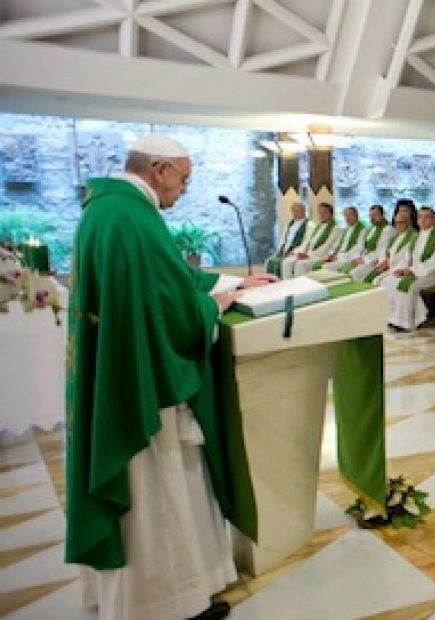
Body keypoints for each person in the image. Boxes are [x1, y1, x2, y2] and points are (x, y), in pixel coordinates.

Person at [66, 134, 277, 620]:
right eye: (183, 179)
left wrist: (227, 283)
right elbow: (172, 310)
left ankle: (151, 597)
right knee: (157, 492)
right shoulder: (133, 217)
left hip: (116, 375)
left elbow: (158, 283)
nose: (183, 190)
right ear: (160, 169)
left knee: (154, 493)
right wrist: (210, 306)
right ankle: (168, 604)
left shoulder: (107, 210)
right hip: (142, 388)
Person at [380, 207, 435, 330]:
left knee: (406, 286)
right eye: (420, 217)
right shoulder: (416, 237)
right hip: (414, 272)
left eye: (426, 217)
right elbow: (407, 258)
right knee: (388, 281)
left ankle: (405, 323)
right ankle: (393, 318)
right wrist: (401, 269)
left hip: (432, 275)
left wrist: (411, 270)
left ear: (434, 220)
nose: (422, 220)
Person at [281, 202, 341, 278]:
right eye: (320, 213)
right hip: (309, 254)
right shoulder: (317, 227)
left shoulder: (335, 229)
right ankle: (289, 286)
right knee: (286, 262)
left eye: (325, 212)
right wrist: (297, 252)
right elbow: (307, 243)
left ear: (331, 214)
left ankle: (303, 288)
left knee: (300, 264)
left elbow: (327, 247)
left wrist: (308, 255)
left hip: (321, 256)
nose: (322, 215)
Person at [357, 205, 416, 284]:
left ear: (409, 222)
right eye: (396, 223)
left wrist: (388, 267)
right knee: (371, 279)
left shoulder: (413, 237)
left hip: (400, 269)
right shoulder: (395, 237)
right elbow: (387, 254)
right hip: (388, 266)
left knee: (378, 281)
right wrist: (383, 263)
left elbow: (406, 260)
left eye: (401, 222)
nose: (398, 225)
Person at [344, 205, 396, 281]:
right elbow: (361, 246)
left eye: (375, 215)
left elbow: (380, 252)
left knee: (353, 274)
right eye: (370, 216)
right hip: (366, 259)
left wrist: (363, 260)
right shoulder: (371, 228)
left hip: (376, 262)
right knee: (346, 270)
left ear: (383, 215)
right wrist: (356, 258)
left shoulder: (388, 229)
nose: (372, 218)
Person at [264, 201, 312, 277]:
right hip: (285, 251)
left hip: (297, 252)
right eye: (294, 211)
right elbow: (283, 239)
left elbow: (307, 241)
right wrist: (280, 249)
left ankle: (288, 284)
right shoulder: (289, 224)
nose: (295, 213)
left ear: (303, 211)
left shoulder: (309, 224)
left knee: (285, 263)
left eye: (297, 211)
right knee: (268, 261)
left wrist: (295, 251)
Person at [319, 205, 367, 273]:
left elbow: (359, 248)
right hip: (339, 257)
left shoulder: (363, 230)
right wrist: (331, 255)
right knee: (324, 265)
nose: (347, 218)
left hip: (349, 259)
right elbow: (336, 244)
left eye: (350, 215)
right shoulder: (345, 230)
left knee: (326, 267)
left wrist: (338, 256)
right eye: (345, 216)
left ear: (356, 215)